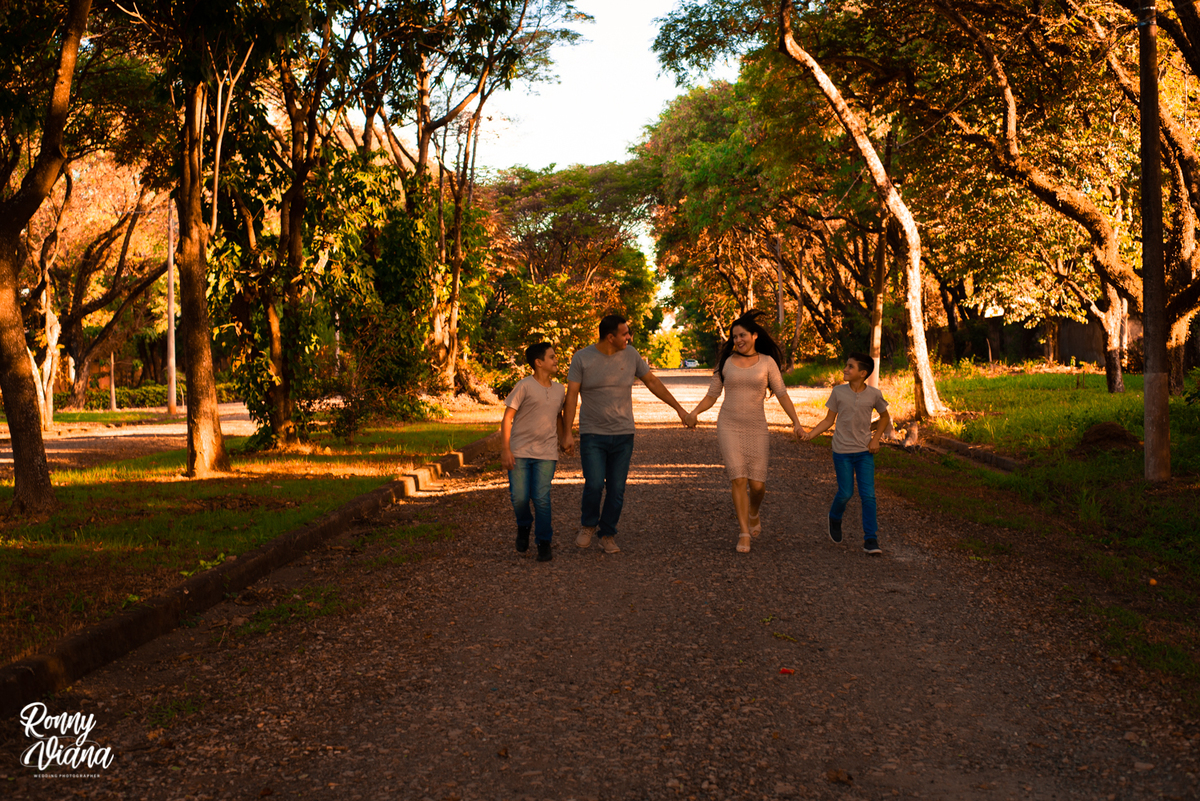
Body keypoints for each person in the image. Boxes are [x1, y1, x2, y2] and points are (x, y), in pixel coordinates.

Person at [560, 314, 693, 554]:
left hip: (623, 434)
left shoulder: (631, 355)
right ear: (610, 337)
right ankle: (588, 525)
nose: (629, 337)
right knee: (593, 484)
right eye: (625, 333)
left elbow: (652, 382)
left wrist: (679, 410)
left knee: (617, 488)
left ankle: (608, 532)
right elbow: (571, 397)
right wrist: (567, 433)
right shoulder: (582, 358)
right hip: (592, 434)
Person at [684, 311, 804, 554]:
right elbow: (712, 395)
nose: (738, 340)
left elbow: (782, 394)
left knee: (757, 485)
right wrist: (694, 412)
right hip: (728, 425)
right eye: (734, 337)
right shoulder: (725, 363)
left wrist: (796, 422)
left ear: (754, 335)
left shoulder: (768, 363)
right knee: (738, 478)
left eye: (742, 335)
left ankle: (754, 511)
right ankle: (743, 532)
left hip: (757, 426)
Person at [801, 352, 891, 555]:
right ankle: (834, 516)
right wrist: (809, 435)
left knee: (868, 496)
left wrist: (875, 440)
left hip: (864, 452)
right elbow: (828, 420)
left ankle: (871, 540)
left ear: (863, 373)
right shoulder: (838, 392)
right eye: (846, 365)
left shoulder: (874, 394)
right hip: (841, 451)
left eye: (850, 367)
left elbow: (884, 417)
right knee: (846, 493)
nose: (845, 369)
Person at [500, 342, 568, 563]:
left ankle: (544, 542)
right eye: (552, 357)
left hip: (546, 452)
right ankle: (523, 525)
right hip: (519, 451)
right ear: (539, 363)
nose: (556, 359)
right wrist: (506, 449)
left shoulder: (560, 389)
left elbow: (558, 415)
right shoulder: (524, 386)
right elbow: (508, 418)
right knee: (519, 497)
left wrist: (565, 438)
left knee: (541, 497)